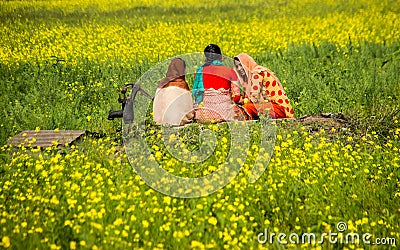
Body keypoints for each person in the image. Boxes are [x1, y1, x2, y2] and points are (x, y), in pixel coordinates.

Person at [193, 44, 247, 123]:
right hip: (225, 114)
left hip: (205, 115)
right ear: (221, 56)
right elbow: (236, 97)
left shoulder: (199, 71)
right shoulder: (230, 71)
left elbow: (196, 94)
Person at [234, 53, 294, 119]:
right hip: (270, 108)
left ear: (247, 63)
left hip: (279, 109)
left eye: (241, 65)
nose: (239, 69)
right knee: (242, 107)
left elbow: (255, 97)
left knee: (248, 107)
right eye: (237, 67)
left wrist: (241, 102)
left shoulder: (257, 73)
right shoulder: (249, 79)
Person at [153, 58, 195, 126]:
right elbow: (189, 111)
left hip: (158, 121)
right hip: (176, 122)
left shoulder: (161, 83)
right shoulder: (181, 84)